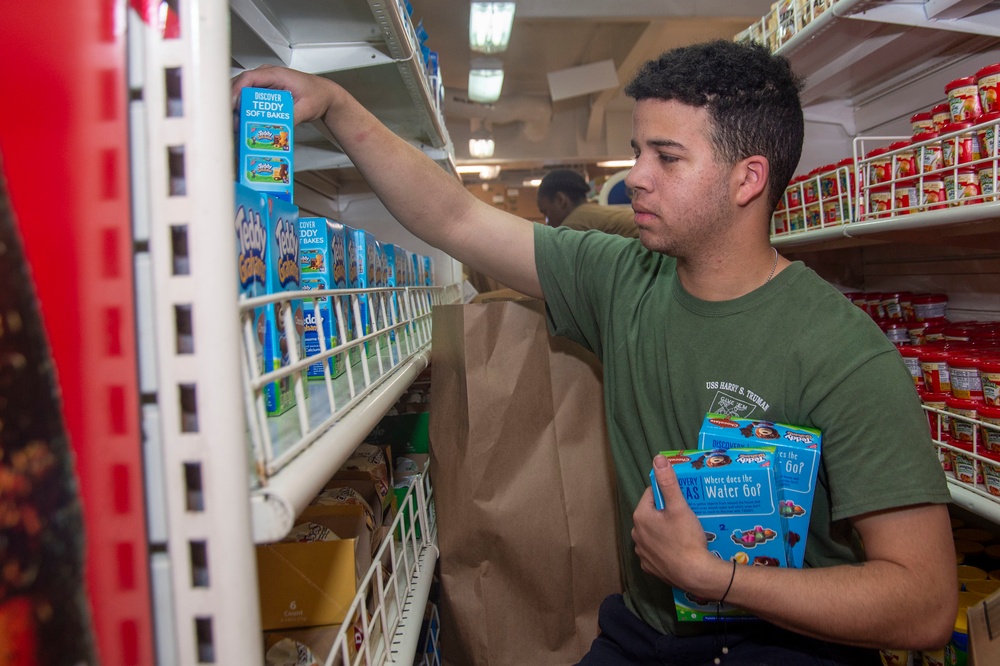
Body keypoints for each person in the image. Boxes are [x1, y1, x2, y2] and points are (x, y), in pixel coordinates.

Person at [232, 39, 957, 663]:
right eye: (640, 150)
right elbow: (454, 216)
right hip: (644, 634)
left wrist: (720, 580)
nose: (635, 175)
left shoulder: (844, 354)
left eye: (666, 157)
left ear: (748, 179)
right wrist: (336, 104)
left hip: (787, 646)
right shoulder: (623, 280)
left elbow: (924, 603)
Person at [536, 169, 640, 238]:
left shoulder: (573, 225)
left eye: (546, 212)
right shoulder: (590, 212)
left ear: (560, 200)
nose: (548, 222)